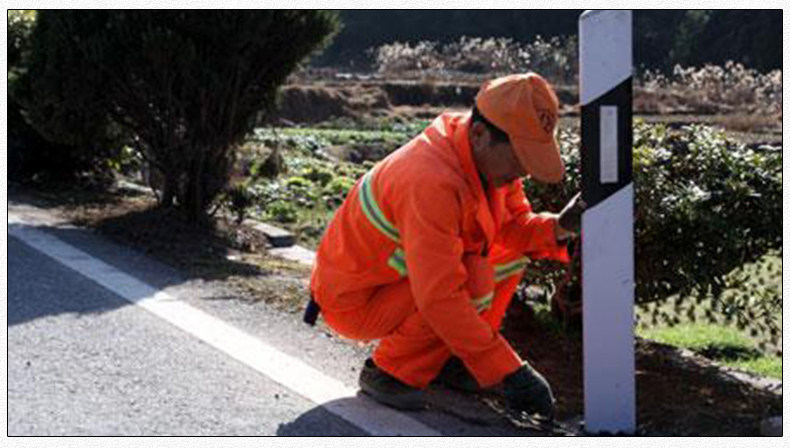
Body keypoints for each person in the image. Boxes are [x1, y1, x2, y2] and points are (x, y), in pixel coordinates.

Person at [308, 73, 585, 418]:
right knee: (473, 279)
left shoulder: (484, 161)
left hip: (400, 285)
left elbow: (513, 228)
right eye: (520, 159)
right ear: (480, 135)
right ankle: (390, 372)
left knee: (507, 257)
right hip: (355, 300)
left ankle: (450, 358)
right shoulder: (430, 181)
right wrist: (509, 371)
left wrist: (560, 226)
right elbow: (441, 296)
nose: (525, 173)